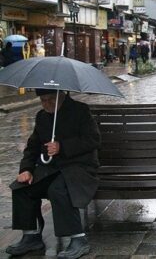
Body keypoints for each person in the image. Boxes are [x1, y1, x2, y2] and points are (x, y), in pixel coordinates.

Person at [6, 89, 100, 258]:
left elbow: (93, 140)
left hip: (78, 168)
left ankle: (78, 239)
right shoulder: (42, 117)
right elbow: (32, 147)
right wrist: (26, 169)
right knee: (22, 187)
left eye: (51, 99)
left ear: (62, 97)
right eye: (43, 100)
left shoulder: (80, 111)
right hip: (50, 169)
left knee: (58, 190)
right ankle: (31, 236)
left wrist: (62, 146)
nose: (46, 104)